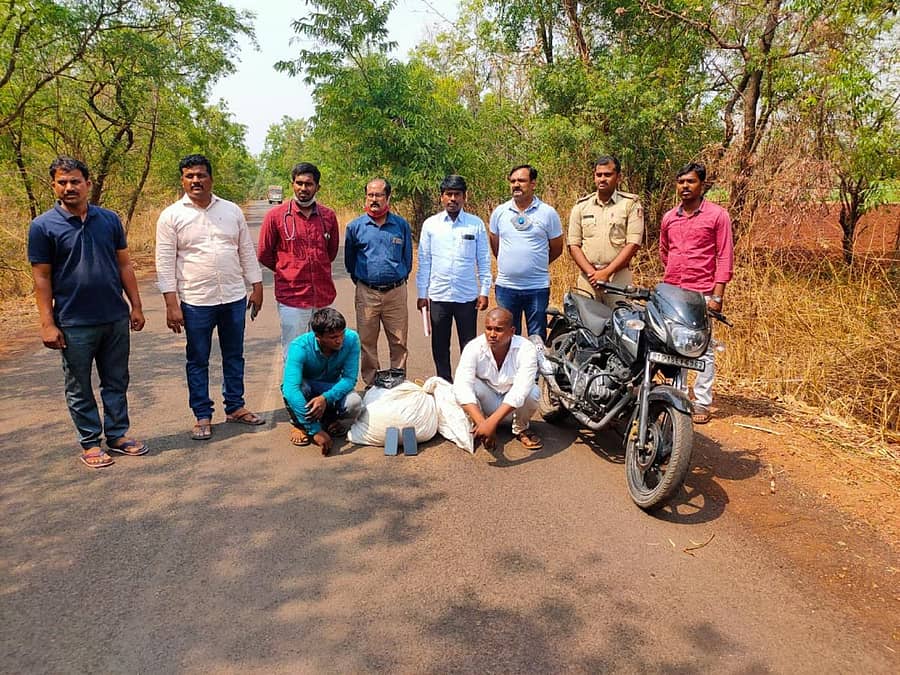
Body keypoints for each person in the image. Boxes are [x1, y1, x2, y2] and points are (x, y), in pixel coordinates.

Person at [27, 156, 147, 468]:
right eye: (62, 182)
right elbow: (41, 277)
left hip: (114, 317)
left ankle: (118, 435)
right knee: (79, 385)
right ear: (54, 185)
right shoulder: (42, 227)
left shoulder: (108, 220)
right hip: (73, 323)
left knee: (117, 379)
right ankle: (91, 442)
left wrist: (136, 305)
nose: (69, 187)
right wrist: (47, 323)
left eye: (75, 181)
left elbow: (124, 264)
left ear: (88, 184)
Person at [156, 154, 265, 440]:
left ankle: (236, 406)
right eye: (190, 176)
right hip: (195, 301)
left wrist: (257, 284)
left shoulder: (231, 211)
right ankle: (202, 415)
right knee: (198, 358)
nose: (196, 181)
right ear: (182, 180)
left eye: (201, 175)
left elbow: (245, 250)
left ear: (211, 179)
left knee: (234, 355)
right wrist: (171, 303)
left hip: (232, 297)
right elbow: (165, 262)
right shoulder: (171, 216)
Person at [659, 162, 734, 424]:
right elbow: (664, 251)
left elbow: (724, 256)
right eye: (681, 182)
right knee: (674, 344)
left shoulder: (717, 216)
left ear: (703, 184)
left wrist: (717, 295)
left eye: (690, 182)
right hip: (672, 291)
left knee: (703, 348)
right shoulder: (670, 217)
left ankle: (702, 402)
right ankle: (676, 396)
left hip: (702, 292)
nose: (684, 187)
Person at [258, 162, 340, 357]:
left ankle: (320, 387)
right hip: (292, 297)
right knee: (294, 350)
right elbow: (264, 253)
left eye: (309, 184)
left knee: (325, 348)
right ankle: (294, 387)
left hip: (323, 295)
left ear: (317, 187)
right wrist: (287, 269)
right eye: (299, 183)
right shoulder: (276, 216)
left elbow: (331, 252)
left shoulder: (327, 216)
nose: (303, 188)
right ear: (292, 184)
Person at [416, 175, 491, 382]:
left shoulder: (475, 224)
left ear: (464, 197)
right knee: (440, 345)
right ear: (441, 197)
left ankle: (467, 384)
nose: (452, 199)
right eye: (448, 194)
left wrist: (484, 291)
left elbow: (483, 260)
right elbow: (424, 262)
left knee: (469, 345)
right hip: (438, 296)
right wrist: (422, 294)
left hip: (466, 297)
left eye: (457, 194)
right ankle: (444, 384)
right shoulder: (431, 225)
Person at [344, 177, 413, 386]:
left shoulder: (400, 225)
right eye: (370, 195)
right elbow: (350, 261)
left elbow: (407, 259)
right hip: (367, 292)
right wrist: (365, 282)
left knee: (399, 339)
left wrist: (397, 279)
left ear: (388, 197)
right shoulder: (355, 227)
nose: (374, 199)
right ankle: (372, 382)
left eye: (379, 195)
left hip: (396, 292)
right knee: (367, 340)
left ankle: (398, 380)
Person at [488, 164, 564, 341]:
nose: (516, 185)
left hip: (536, 287)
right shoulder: (500, 212)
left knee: (537, 337)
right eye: (513, 181)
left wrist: (535, 264)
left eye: (521, 180)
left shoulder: (547, 213)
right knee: (506, 336)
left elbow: (557, 247)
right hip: (506, 287)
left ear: (533, 184)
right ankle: (510, 369)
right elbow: (495, 242)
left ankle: (534, 369)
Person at [453, 307, 543, 451]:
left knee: (533, 391)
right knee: (467, 385)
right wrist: (483, 423)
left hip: (512, 407)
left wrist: (491, 423)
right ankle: (478, 424)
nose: (492, 334)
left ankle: (520, 428)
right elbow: (461, 387)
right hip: (486, 403)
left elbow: (520, 390)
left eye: (498, 330)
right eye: (488, 329)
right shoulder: (474, 347)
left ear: (512, 331)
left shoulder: (526, 348)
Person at [282, 308, 362, 455]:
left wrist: (326, 398)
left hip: (330, 387)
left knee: (354, 403)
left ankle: (328, 419)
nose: (339, 340)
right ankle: (300, 424)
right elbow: (290, 389)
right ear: (318, 336)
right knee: (299, 388)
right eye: (333, 337)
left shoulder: (351, 339)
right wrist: (315, 431)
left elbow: (350, 379)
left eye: (341, 334)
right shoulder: (299, 346)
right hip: (307, 388)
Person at [568, 156, 644, 306]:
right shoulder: (581, 206)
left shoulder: (630, 205)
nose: (602, 179)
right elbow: (573, 245)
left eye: (608, 175)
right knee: (586, 326)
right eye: (599, 175)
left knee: (620, 323)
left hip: (618, 278)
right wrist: (593, 274)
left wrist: (606, 273)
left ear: (618, 177)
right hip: (588, 279)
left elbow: (633, 244)